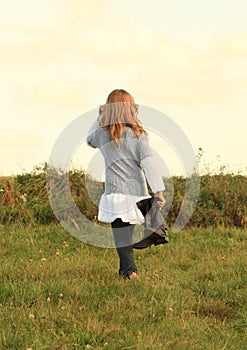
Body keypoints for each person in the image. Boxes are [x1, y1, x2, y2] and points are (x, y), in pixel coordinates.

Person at [87, 89, 166, 279]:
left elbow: (88, 139)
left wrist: (100, 116)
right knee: (125, 236)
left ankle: (130, 271)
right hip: (136, 194)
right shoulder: (138, 135)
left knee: (121, 237)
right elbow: (150, 164)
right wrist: (159, 191)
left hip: (115, 194)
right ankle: (125, 272)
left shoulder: (101, 134)